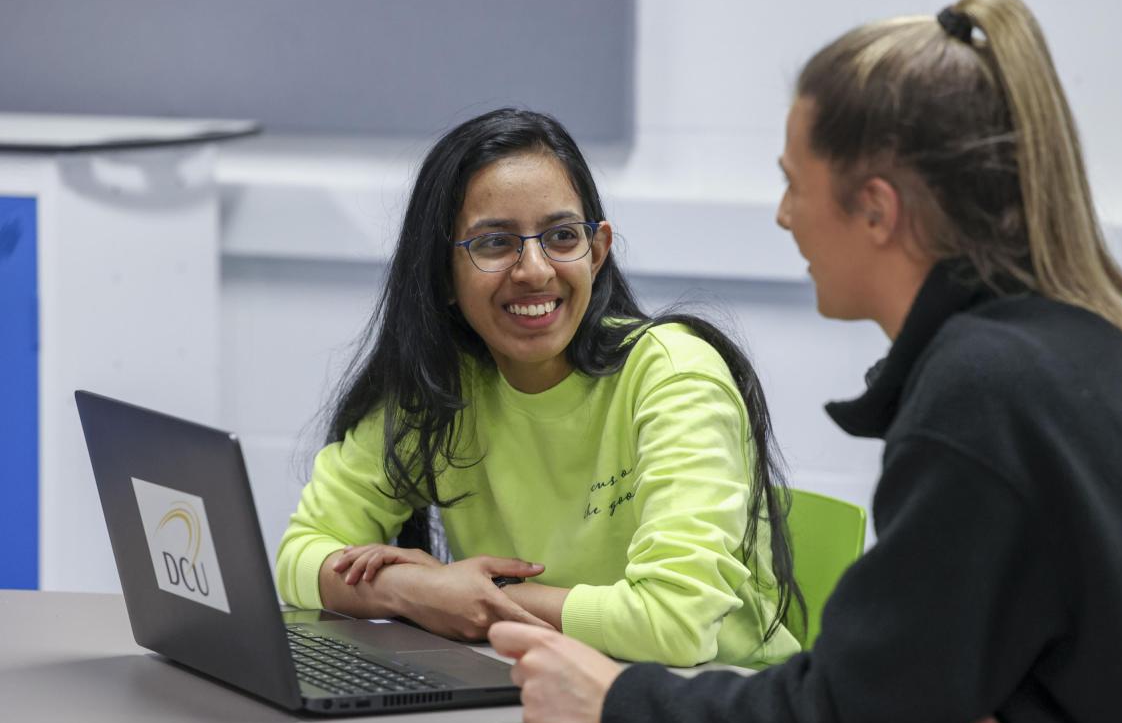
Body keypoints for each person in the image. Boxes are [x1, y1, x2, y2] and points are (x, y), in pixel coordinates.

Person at [488, 0, 1122, 723]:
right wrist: (943, 722)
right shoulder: (1090, 345)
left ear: (876, 210)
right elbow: (914, 689)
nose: (785, 216)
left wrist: (615, 698)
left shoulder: (981, 394)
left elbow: (838, 719)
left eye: (795, 182)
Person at [274, 107, 806, 670]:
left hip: (713, 712)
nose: (534, 269)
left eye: (560, 236)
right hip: (540, 692)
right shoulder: (440, 386)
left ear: (597, 252)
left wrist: (477, 597)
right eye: (495, 243)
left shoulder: (674, 376)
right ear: (442, 275)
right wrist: (414, 590)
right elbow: (302, 556)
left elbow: (676, 625)